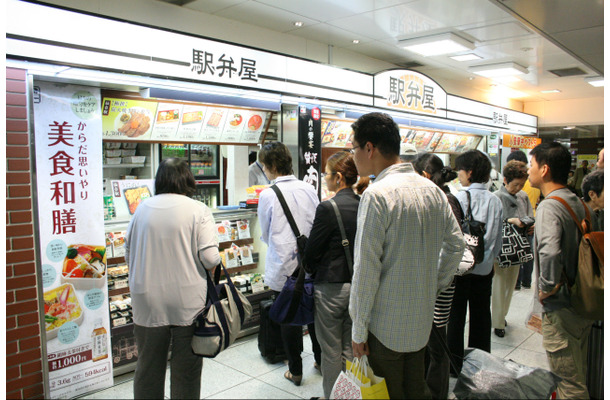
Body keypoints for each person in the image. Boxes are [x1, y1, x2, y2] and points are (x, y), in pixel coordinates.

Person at [348, 112, 464, 399]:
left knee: (385, 391)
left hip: (384, 326)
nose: (353, 156)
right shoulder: (433, 191)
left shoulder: (376, 195)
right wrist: (435, 282)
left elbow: (366, 270)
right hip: (421, 322)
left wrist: (358, 330)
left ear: (370, 148)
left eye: (354, 149)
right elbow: (456, 244)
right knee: (415, 389)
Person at [125, 158, 220, 399]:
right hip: (187, 301)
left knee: (148, 367)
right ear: (188, 178)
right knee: (186, 368)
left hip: (147, 299)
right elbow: (210, 258)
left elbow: (128, 254)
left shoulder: (141, 209)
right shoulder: (198, 209)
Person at [529, 142, 595, 399]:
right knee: (578, 370)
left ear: (544, 170)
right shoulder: (578, 201)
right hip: (582, 299)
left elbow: (549, 251)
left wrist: (547, 289)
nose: (529, 170)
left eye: (532, 165)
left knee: (569, 383)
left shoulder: (549, 205)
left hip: (561, 306)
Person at [303, 151, 369, 399]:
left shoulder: (327, 207)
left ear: (339, 177)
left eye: (327, 174)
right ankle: (352, 394)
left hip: (330, 289)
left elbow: (311, 253)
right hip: (358, 287)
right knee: (351, 347)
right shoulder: (364, 204)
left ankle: (333, 395)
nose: (325, 178)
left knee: (330, 351)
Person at [257, 142, 321, 386]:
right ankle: (321, 360)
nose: (264, 169)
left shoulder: (267, 194)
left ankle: (295, 371)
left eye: (264, 164)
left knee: (289, 317)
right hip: (310, 264)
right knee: (313, 315)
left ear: (273, 166)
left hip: (283, 267)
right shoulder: (308, 189)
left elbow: (265, 232)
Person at [447, 150, 503, 374]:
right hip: (484, 270)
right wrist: (487, 261)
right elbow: (496, 238)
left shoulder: (459, 198)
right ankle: (480, 362)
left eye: (460, 170)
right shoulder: (495, 200)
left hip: (460, 271)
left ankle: (454, 364)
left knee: (456, 316)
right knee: (481, 315)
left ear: (469, 172)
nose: (458, 175)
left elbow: (451, 237)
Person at [413, 153, 464, 400]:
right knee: (431, 338)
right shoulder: (445, 197)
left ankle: (436, 393)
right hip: (437, 280)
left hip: (438, 283)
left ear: (424, 175)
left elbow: (455, 245)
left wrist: (438, 281)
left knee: (436, 342)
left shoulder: (440, 200)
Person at [491, 160, 534, 337]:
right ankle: (498, 322)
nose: (518, 188)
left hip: (519, 247)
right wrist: (510, 221)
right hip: (502, 249)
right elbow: (492, 222)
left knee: (510, 285)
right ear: (506, 180)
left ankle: (503, 315)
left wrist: (530, 225)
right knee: (499, 286)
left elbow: (530, 215)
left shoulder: (523, 196)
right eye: (515, 184)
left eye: (521, 185)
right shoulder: (495, 197)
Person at [506, 151, 538, 290]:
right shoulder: (531, 183)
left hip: (523, 226)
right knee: (526, 253)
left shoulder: (521, 191)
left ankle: (520, 282)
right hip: (527, 222)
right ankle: (523, 282)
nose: (518, 188)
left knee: (523, 254)